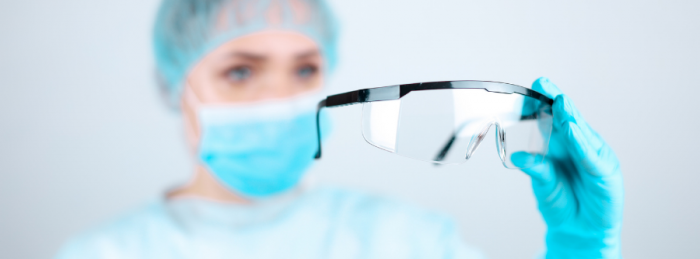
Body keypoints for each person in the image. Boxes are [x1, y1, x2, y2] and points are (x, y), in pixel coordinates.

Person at [55, 0, 624, 258]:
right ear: (177, 86)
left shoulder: (407, 242)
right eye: (241, 71)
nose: (281, 99)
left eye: (304, 69)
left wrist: (580, 251)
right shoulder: (105, 253)